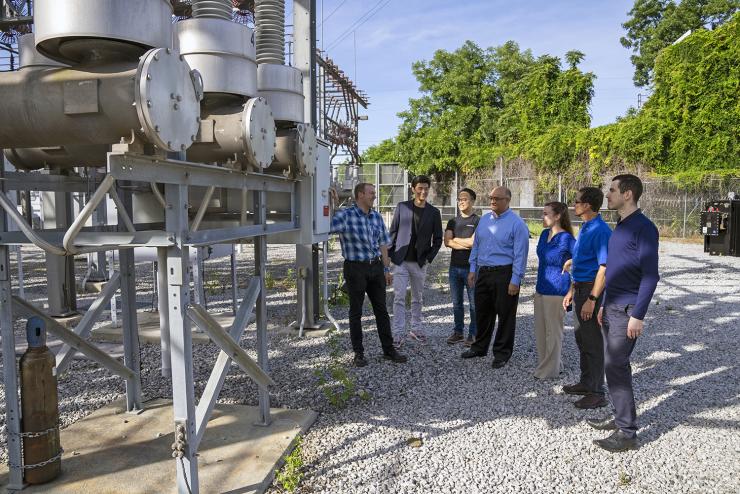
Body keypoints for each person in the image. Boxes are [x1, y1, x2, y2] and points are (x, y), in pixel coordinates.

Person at [588, 174, 659, 452]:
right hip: (612, 307)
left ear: (628, 194)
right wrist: (603, 302)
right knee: (613, 365)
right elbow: (616, 269)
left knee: (616, 366)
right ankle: (620, 419)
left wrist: (638, 315)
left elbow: (651, 276)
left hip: (627, 310)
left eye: (613, 190)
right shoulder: (621, 225)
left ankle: (627, 433)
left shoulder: (644, 228)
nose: (608, 194)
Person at [329, 183, 407, 367]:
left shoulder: (377, 217)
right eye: (371, 193)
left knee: (381, 310)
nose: (375, 195)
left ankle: (389, 350)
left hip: (376, 267)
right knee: (356, 312)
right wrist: (333, 205)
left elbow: (383, 245)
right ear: (360, 195)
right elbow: (326, 227)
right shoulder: (345, 215)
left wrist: (387, 269)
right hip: (355, 268)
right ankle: (358, 353)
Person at [461, 186, 529, 368]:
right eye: (491, 197)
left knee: (505, 315)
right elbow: (477, 245)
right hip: (483, 272)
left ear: (507, 200)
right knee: (482, 312)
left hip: (504, 274)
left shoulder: (517, 224)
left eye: (497, 198)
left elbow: (520, 255)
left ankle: (502, 353)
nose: (492, 201)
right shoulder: (484, 220)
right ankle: (479, 347)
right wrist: (473, 268)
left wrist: (515, 280)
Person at [561, 187, 612, 409]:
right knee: (582, 338)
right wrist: (572, 290)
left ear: (588, 205)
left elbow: (604, 267)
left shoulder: (600, 230)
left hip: (591, 290)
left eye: (577, 201)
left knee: (592, 342)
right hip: (580, 288)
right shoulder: (586, 227)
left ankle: (597, 392)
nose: (574, 205)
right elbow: (584, 261)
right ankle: (586, 382)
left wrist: (592, 299)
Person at [388, 175, 443, 343]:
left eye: (426, 188)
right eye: (420, 188)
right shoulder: (402, 207)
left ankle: (416, 329)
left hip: (420, 262)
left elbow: (438, 239)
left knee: (418, 297)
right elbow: (393, 232)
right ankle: (397, 333)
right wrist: (391, 255)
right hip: (401, 261)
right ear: (413, 189)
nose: (423, 191)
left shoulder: (434, 212)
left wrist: (429, 258)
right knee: (398, 297)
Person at [533, 202, 576, 379]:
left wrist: (571, 262)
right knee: (541, 331)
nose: (542, 217)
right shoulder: (544, 234)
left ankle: (549, 371)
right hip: (541, 287)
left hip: (557, 288)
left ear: (557, 216)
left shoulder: (566, 238)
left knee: (554, 332)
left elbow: (585, 256)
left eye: (545, 214)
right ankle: (549, 364)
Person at [445, 188, 479, 346]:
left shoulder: (478, 221)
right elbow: (447, 242)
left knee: (473, 304)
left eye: (465, 199)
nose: (461, 202)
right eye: (459, 199)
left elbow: (474, 243)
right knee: (457, 303)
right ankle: (458, 332)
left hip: (471, 268)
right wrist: (465, 243)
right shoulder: (453, 221)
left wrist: (455, 241)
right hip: (454, 268)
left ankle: (473, 334)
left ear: (472, 201)